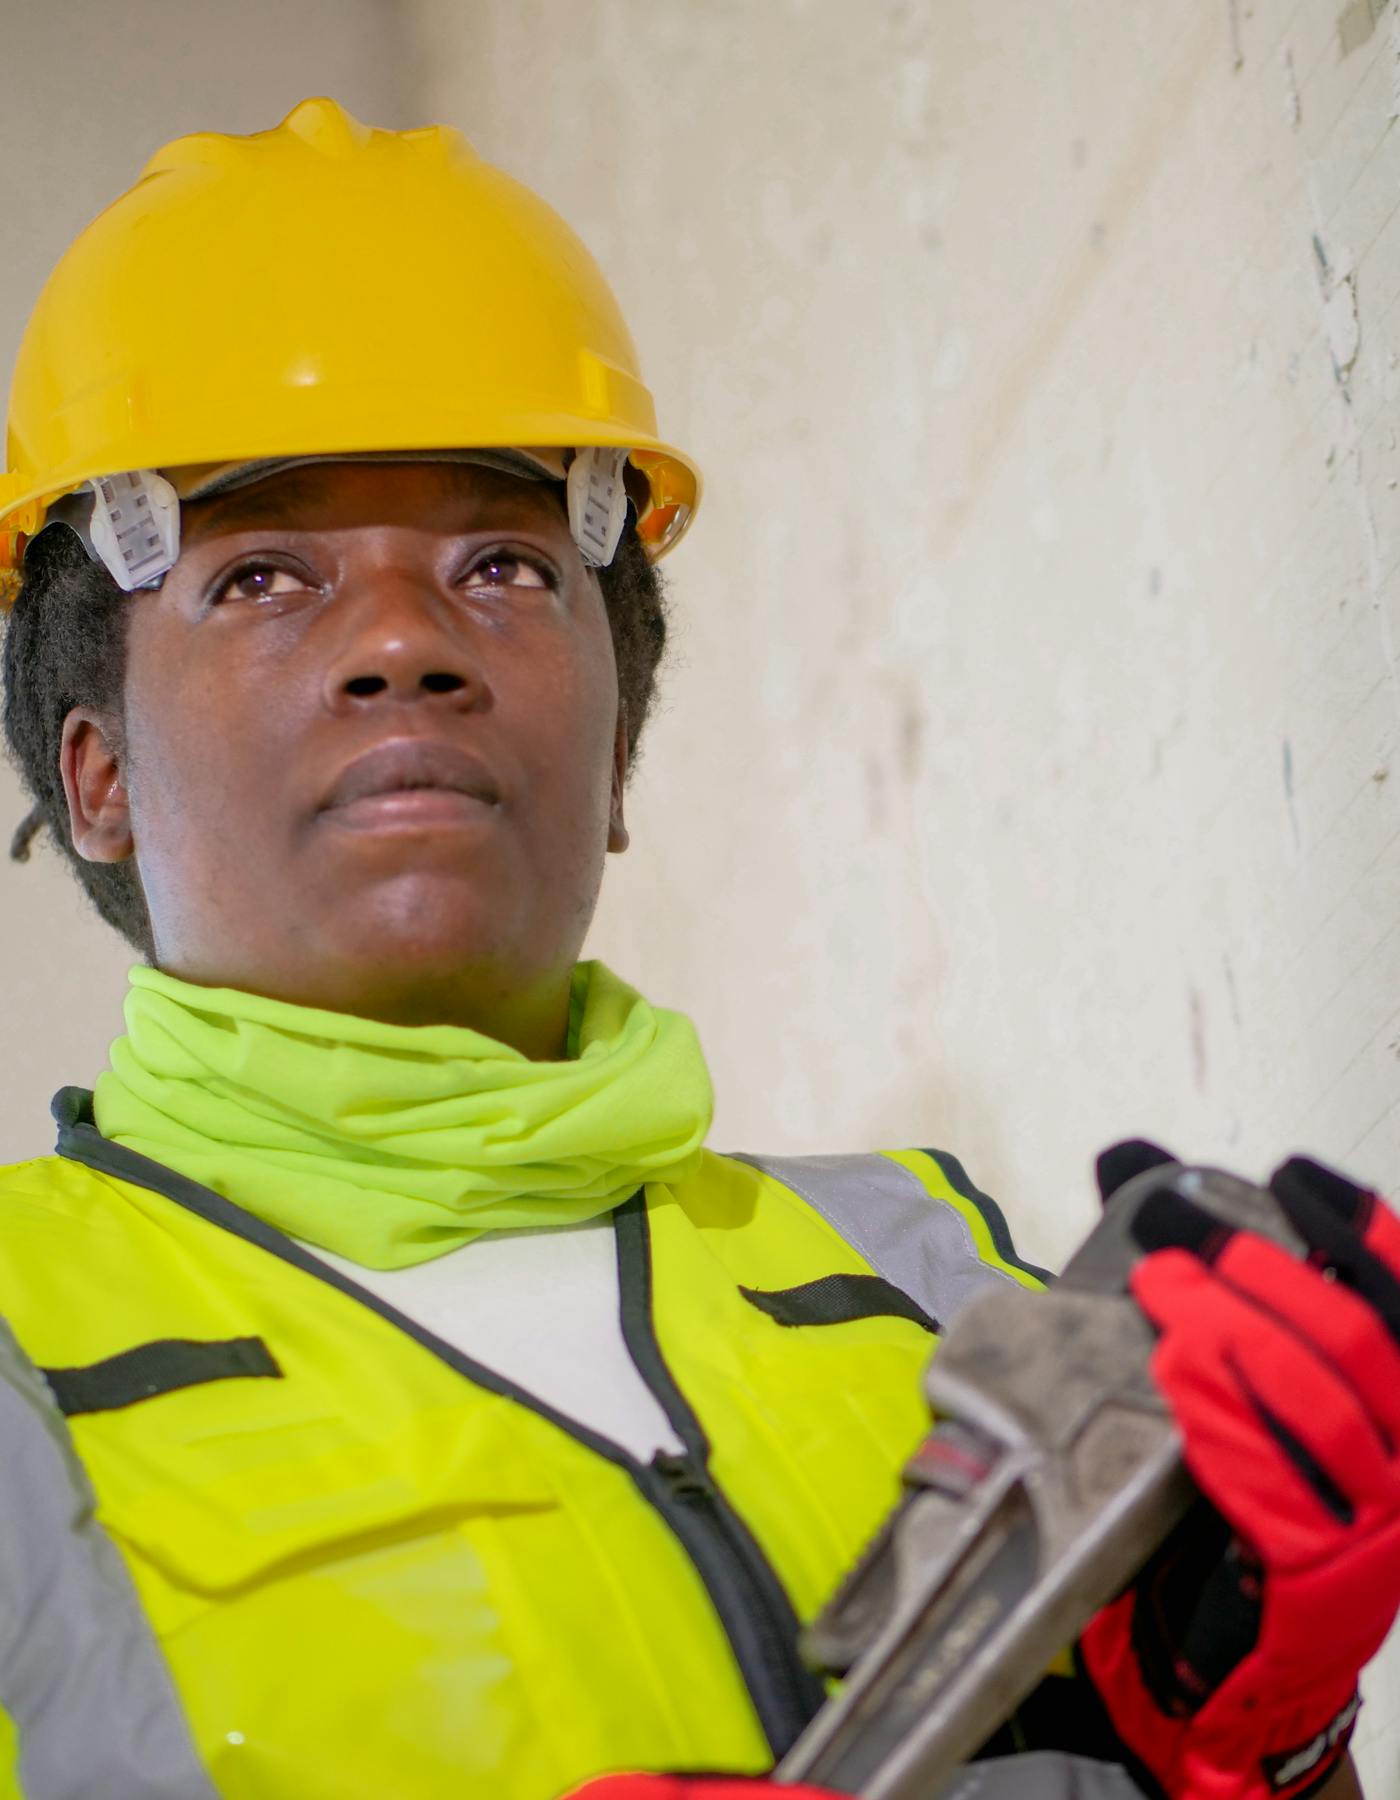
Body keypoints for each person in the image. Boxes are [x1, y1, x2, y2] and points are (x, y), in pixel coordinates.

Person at [0, 97, 1393, 1800]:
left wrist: (1271, 1738)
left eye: (503, 562)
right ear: (96, 777)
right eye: (264, 577)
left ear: (615, 761)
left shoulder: (929, 1271)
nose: (401, 641)